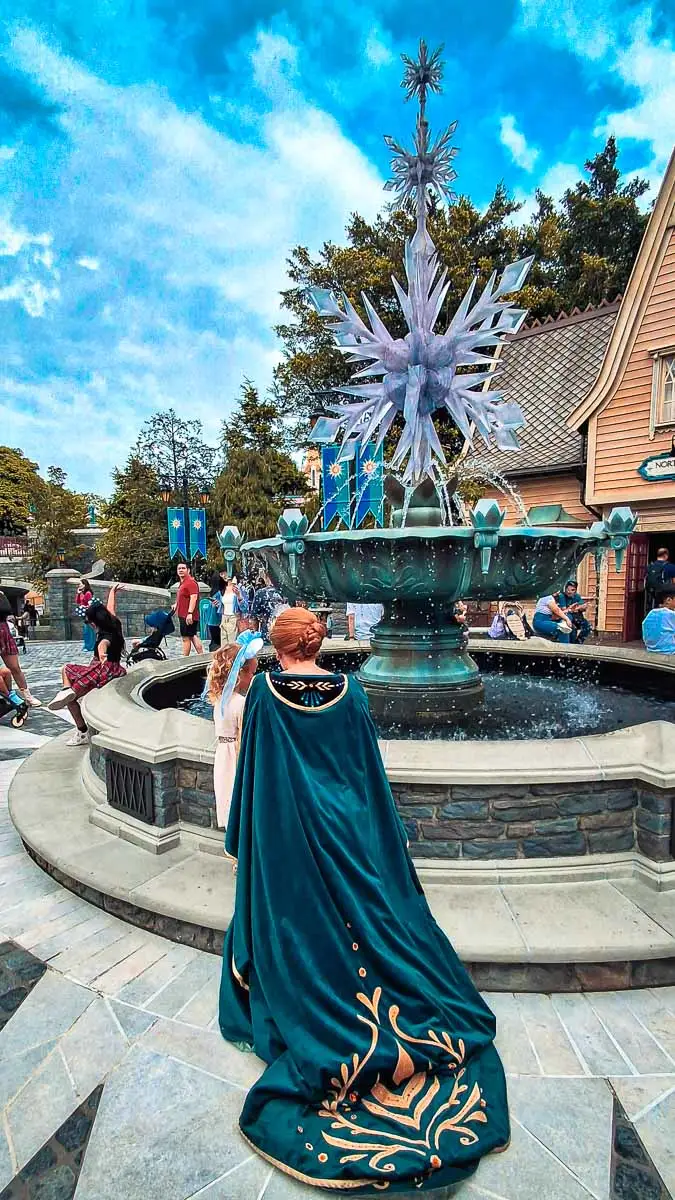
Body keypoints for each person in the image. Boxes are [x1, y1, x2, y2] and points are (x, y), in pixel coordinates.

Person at [218, 606, 509, 1192]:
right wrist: (377, 836)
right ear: (317, 641)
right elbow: (365, 772)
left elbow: (256, 775)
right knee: (373, 916)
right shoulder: (349, 692)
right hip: (346, 828)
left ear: (278, 645)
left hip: (295, 835)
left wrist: (244, 839)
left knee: (306, 922)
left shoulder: (266, 698)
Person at [46, 584, 127, 744]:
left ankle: (82, 732)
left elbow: (103, 645)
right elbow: (111, 608)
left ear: (94, 623)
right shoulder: (114, 623)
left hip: (101, 669)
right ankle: (66, 689)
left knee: (68, 680)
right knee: (69, 679)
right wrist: (112, 592)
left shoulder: (104, 637)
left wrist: (102, 655)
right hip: (114, 668)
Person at [207, 631, 263, 834]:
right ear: (239, 675)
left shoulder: (220, 699)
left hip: (223, 755)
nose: (254, 677)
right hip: (236, 756)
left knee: (227, 799)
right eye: (251, 673)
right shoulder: (241, 702)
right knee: (240, 800)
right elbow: (245, 735)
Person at [0, 590, 41, 707]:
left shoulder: (1, 594)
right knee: (4, 672)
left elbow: (7, 610)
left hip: (3, 630)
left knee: (15, 667)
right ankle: (8, 695)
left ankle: (27, 696)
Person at [174, 562, 203, 656]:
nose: (181, 570)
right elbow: (183, 596)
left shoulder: (190, 582)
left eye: (183, 568)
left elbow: (193, 597)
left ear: (188, 570)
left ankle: (184, 659)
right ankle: (201, 656)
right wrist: (176, 604)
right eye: (179, 568)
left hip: (188, 615)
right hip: (183, 614)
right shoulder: (183, 583)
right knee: (192, 635)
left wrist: (190, 613)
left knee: (186, 638)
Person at [250, 573, 285, 642]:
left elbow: (254, 618)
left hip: (268, 637)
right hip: (286, 637)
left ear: (266, 576)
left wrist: (255, 638)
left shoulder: (261, 593)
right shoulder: (289, 592)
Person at [555, 580, 592, 644]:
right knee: (573, 628)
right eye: (568, 589)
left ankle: (578, 643)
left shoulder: (577, 596)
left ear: (575, 591)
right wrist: (573, 608)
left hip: (576, 617)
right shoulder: (562, 596)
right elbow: (564, 610)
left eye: (572, 590)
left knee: (588, 626)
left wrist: (582, 607)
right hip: (565, 617)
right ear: (565, 589)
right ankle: (570, 645)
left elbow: (582, 607)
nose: (569, 592)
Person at [642, 586, 675, 654]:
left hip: (651, 650)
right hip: (670, 651)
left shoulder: (651, 613)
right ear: (668, 600)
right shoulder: (671, 614)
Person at [75, 579, 96, 652]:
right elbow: (78, 602)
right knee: (86, 630)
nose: (79, 585)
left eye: (80, 584)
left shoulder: (88, 593)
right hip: (83, 613)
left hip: (88, 613)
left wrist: (85, 607)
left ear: (84, 584)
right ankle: (87, 645)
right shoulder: (82, 593)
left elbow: (90, 603)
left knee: (88, 630)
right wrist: (78, 593)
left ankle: (90, 646)